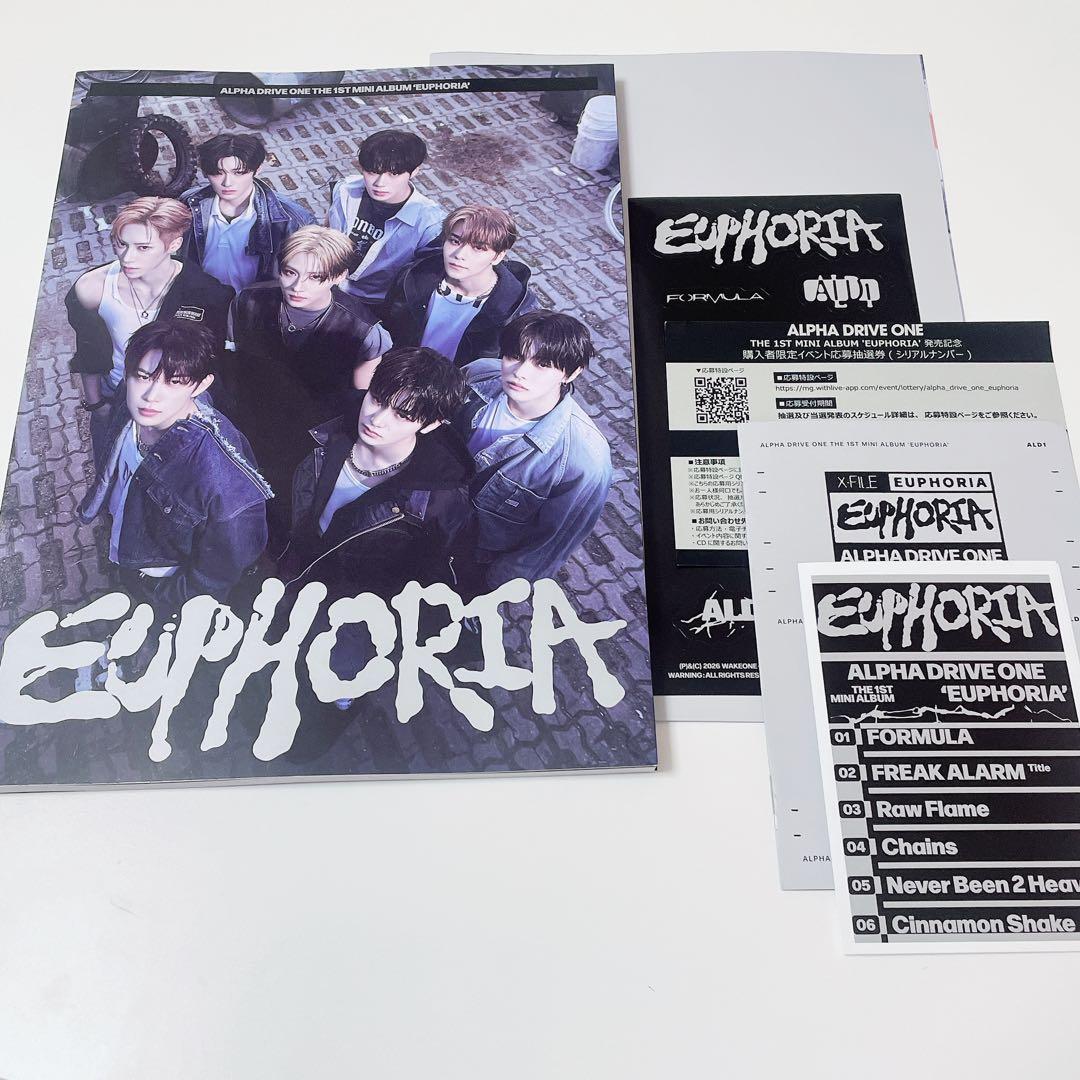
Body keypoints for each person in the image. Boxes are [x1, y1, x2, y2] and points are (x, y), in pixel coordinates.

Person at [78, 318, 271, 612]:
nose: (150, 396)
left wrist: (165, 599)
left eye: (174, 381)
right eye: (143, 376)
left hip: (161, 585)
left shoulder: (222, 477)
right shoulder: (129, 401)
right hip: (128, 548)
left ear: (201, 385)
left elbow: (221, 572)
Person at [227, 225, 392, 543]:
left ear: (338, 276)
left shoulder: (363, 329)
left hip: (308, 444)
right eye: (290, 272)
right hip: (248, 424)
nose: (297, 286)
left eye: (315, 277)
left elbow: (359, 401)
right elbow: (230, 366)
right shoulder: (249, 301)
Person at [281, 345, 472, 608]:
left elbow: (426, 589)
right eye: (377, 400)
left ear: (431, 424)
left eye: (402, 415)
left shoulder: (439, 500)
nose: (377, 420)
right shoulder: (319, 429)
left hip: (344, 613)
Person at [65, 196, 234, 462]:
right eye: (121, 244)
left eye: (143, 247)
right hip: (117, 395)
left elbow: (212, 361)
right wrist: (97, 405)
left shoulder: (205, 293)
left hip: (178, 404)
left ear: (174, 245)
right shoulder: (92, 288)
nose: (127, 257)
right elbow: (88, 352)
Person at [453, 310, 611, 591]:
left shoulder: (583, 462)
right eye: (515, 356)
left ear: (572, 372)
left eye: (543, 364)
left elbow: (545, 550)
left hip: (472, 561)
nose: (520, 372)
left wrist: (491, 590)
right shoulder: (477, 375)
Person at [382, 204, 539, 369]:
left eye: (478, 248)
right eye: (455, 241)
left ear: (498, 256)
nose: (459, 255)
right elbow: (386, 329)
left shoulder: (516, 311)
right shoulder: (414, 276)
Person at [179, 133, 314, 292]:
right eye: (218, 173)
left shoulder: (291, 219)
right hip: (201, 298)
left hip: (257, 303)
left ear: (258, 169)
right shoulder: (190, 203)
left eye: (239, 172)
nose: (227, 183)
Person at [327, 129, 443, 310]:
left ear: (414, 172)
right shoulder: (345, 190)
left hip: (377, 305)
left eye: (393, 174)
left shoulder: (430, 223)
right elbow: (327, 227)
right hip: (328, 286)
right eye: (372, 172)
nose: (380, 183)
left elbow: (422, 281)